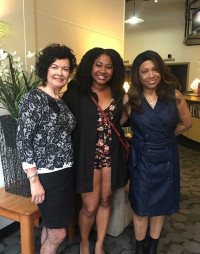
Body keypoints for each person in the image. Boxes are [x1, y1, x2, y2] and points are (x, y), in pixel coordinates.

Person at [120, 50, 192, 254]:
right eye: (144, 71)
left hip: (166, 157)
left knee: (159, 206)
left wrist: (168, 136)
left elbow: (187, 123)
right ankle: (140, 246)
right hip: (141, 159)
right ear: (137, 75)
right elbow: (117, 125)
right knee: (141, 207)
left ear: (161, 71)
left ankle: (152, 246)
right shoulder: (131, 99)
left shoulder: (175, 96)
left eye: (154, 70)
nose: (151, 75)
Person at [62, 47, 129, 254]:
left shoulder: (118, 92)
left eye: (109, 66)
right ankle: (84, 241)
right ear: (90, 66)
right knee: (90, 207)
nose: (103, 70)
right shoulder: (76, 90)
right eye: (98, 65)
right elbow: (65, 122)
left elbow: (119, 123)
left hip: (110, 155)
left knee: (106, 200)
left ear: (114, 70)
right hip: (86, 157)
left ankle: (99, 244)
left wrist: (128, 105)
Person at [17, 43, 77, 254]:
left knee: (51, 225)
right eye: (55, 67)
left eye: (65, 68)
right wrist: (34, 180)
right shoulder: (33, 98)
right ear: (45, 69)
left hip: (64, 172)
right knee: (59, 233)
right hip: (46, 176)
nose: (60, 73)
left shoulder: (59, 99)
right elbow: (24, 141)